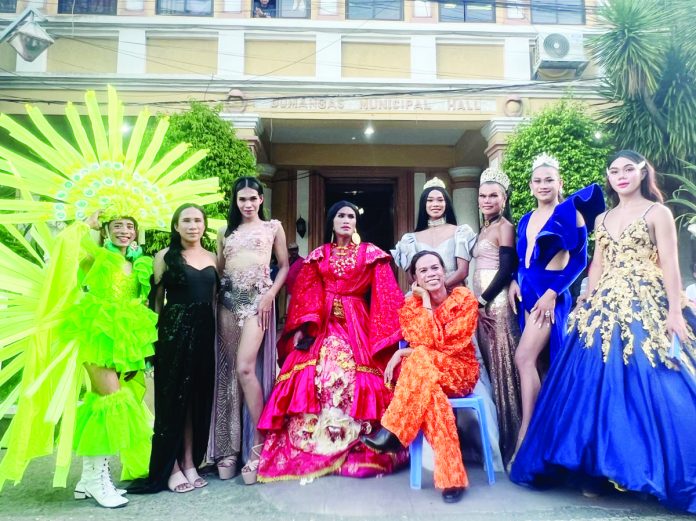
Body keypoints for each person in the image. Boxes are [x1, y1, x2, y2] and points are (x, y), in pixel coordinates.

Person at [510, 150, 696, 514]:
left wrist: (675, 311)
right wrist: (586, 299)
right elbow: (596, 263)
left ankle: (649, 471)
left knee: (651, 378)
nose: (621, 176)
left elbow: (671, 264)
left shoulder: (658, 213)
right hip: (605, 300)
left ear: (643, 173)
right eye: (614, 171)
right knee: (592, 386)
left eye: (628, 169)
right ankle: (595, 471)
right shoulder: (604, 218)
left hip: (646, 297)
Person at [0, 213, 157, 509]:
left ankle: (88, 479)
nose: (124, 232)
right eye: (117, 226)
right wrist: (84, 225)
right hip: (95, 333)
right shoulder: (94, 256)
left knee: (104, 402)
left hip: (123, 338)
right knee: (111, 401)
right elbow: (64, 254)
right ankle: (98, 481)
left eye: (129, 226)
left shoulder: (138, 262)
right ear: (107, 230)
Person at [256, 201, 407, 482]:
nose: (346, 220)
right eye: (341, 215)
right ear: (331, 221)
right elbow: (306, 293)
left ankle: (359, 444)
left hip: (357, 323)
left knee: (355, 373)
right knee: (320, 372)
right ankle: (315, 443)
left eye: (351, 215)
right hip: (322, 321)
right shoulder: (318, 255)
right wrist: (302, 326)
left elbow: (386, 294)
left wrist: (391, 332)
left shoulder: (370, 253)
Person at [391, 176, 503, 471]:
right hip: (425, 302)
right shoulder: (411, 239)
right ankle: (441, 463)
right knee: (425, 357)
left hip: (454, 301)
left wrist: (438, 290)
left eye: (440, 199)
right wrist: (426, 296)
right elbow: (415, 276)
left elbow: (462, 270)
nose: (435, 204)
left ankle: (396, 429)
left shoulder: (461, 231)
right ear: (422, 205)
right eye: (430, 199)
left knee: (451, 353)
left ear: (447, 204)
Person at [362, 251, 480, 504]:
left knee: (420, 359)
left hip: (460, 371)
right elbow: (425, 343)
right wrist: (425, 301)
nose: (432, 274)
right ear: (414, 279)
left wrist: (404, 351)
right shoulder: (409, 309)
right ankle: (452, 479)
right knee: (432, 397)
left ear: (444, 270)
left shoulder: (464, 298)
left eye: (435, 268)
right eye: (424, 271)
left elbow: (451, 345)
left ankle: (393, 430)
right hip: (427, 374)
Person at [507, 153, 604, 456]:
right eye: (538, 181)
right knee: (537, 363)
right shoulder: (525, 219)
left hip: (549, 296)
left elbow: (579, 260)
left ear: (560, 182)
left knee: (523, 358)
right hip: (527, 294)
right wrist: (512, 281)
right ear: (531, 186)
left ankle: (528, 431)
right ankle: (545, 433)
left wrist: (554, 292)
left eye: (549, 180)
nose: (543, 185)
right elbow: (522, 259)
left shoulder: (569, 212)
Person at [129, 204, 217, 494]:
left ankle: (190, 462)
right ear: (176, 226)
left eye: (197, 220)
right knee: (171, 403)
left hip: (205, 334)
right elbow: (155, 304)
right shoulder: (163, 257)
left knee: (194, 401)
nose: (193, 225)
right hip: (173, 334)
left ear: (204, 225)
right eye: (186, 221)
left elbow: (216, 301)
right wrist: (149, 346)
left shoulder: (214, 258)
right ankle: (171, 468)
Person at [208, 176, 288, 483]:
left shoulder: (272, 228)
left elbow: (283, 266)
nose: (248, 204)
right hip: (226, 304)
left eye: (253, 198)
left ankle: (260, 444)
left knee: (245, 369)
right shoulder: (224, 231)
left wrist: (270, 295)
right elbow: (218, 270)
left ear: (261, 199)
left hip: (258, 304)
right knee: (226, 373)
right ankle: (227, 448)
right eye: (242, 199)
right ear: (235, 201)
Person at [471, 168, 522, 467]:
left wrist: (482, 300)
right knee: (490, 366)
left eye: (494, 195)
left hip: (496, 301)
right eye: (483, 195)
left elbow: (505, 269)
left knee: (504, 366)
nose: (487, 200)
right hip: (483, 302)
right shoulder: (483, 228)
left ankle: (513, 441)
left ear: (504, 199)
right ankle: (495, 439)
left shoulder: (505, 226)